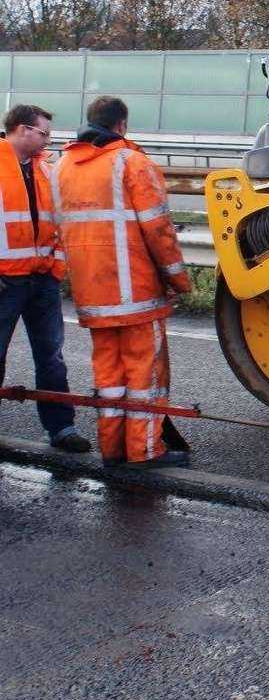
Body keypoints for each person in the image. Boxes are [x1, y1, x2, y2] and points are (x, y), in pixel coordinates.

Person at [56, 96, 191, 468]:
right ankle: (145, 451)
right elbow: (159, 231)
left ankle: (113, 449)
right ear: (121, 125)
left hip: (92, 295)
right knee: (144, 374)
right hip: (136, 292)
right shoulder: (132, 162)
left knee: (110, 376)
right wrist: (178, 280)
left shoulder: (62, 165)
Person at [0, 104, 89, 453]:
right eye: (44, 132)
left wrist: (56, 268)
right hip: (6, 283)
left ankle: (61, 428)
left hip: (42, 280)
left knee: (51, 357)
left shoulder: (45, 171)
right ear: (23, 130)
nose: (48, 139)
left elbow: (59, 224)